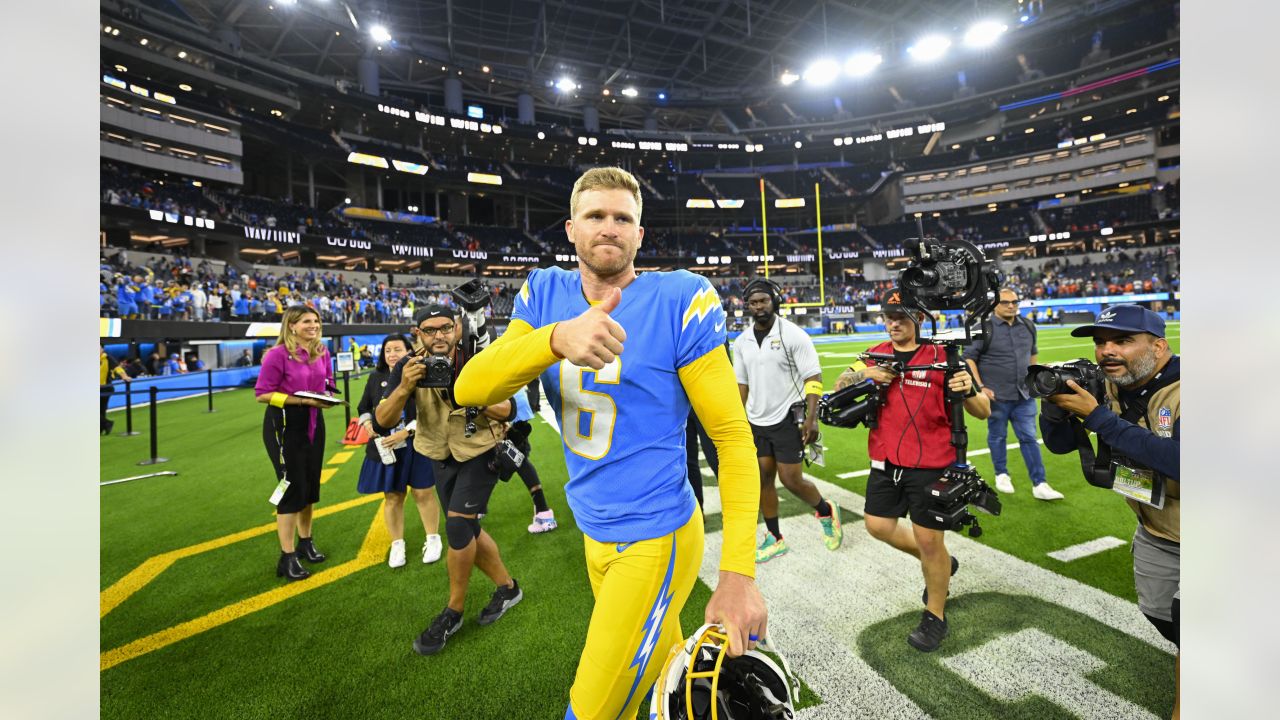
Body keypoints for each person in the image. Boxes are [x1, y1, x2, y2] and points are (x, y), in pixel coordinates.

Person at [454, 167, 766, 720]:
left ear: (640, 236)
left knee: (592, 710)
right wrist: (557, 337)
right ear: (571, 229)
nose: (610, 227)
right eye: (596, 215)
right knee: (668, 686)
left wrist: (738, 573)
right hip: (594, 530)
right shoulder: (545, 291)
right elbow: (471, 386)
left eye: (623, 218)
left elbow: (731, 438)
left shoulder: (680, 297)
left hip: (656, 535)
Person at [1039, 304, 1180, 717]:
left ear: (1159, 346)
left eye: (1122, 340)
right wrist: (1055, 410)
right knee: (1158, 611)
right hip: (1157, 528)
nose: (1107, 351)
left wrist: (1098, 417)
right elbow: (1061, 445)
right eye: (1101, 342)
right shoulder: (1108, 384)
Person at [833, 287, 990, 652]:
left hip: (932, 465)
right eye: (888, 317)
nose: (892, 324)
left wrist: (968, 390)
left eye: (900, 317)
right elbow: (840, 383)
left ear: (919, 318)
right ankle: (941, 565)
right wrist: (866, 375)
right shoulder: (873, 355)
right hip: (886, 463)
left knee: (928, 540)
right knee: (878, 526)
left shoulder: (947, 356)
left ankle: (935, 615)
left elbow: (983, 409)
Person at [376, 305, 521, 656]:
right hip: (439, 454)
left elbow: (510, 409)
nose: (439, 336)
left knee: (457, 528)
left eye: (445, 328)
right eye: (430, 330)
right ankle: (508, 588)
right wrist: (405, 387)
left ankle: (453, 611)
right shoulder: (408, 366)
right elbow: (383, 419)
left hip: (480, 450)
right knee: (468, 529)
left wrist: (468, 392)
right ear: (418, 334)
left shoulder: (476, 359)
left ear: (457, 329)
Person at [732, 277, 841, 564]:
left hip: (786, 418)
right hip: (756, 420)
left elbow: (813, 378)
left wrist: (812, 418)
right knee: (763, 479)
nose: (758, 307)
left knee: (791, 480)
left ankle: (826, 510)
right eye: (753, 303)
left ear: (775, 301)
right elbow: (741, 385)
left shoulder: (794, 335)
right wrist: (736, 419)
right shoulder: (741, 342)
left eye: (763, 301)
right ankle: (774, 537)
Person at [254, 306, 337, 581]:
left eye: (316, 321)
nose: (313, 326)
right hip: (285, 426)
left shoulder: (321, 351)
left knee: (310, 486)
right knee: (290, 487)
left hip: (314, 423)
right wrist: (301, 400)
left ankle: (305, 541)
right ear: (291, 325)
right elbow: (263, 395)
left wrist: (328, 394)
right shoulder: (277, 355)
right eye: (306, 322)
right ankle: (287, 556)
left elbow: (328, 381)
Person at [963, 287, 1063, 500]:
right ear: (994, 305)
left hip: (1024, 395)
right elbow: (969, 358)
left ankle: (1040, 483)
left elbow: (1032, 353)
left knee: (1029, 437)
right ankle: (1001, 474)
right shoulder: (983, 327)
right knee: (998, 436)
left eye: (1014, 302)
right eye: (1006, 302)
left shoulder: (1028, 325)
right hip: (996, 396)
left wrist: (1035, 378)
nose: (1011, 306)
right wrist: (980, 387)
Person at [356, 334, 443, 567]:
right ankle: (397, 544)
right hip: (386, 448)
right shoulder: (376, 377)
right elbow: (364, 407)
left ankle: (433, 538)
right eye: (387, 351)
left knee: (423, 493)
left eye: (397, 349)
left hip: (418, 445)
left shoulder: (423, 374)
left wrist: (407, 432)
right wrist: (368, 424)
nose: (392, 355)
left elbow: (432, 411)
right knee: (393, 497)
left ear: (409, 351)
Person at [506, 386, 559, 533]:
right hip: (514, 405)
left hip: (508, 407)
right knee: (517, 458)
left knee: (516, 459)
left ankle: (543, 511)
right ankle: (542, 510)